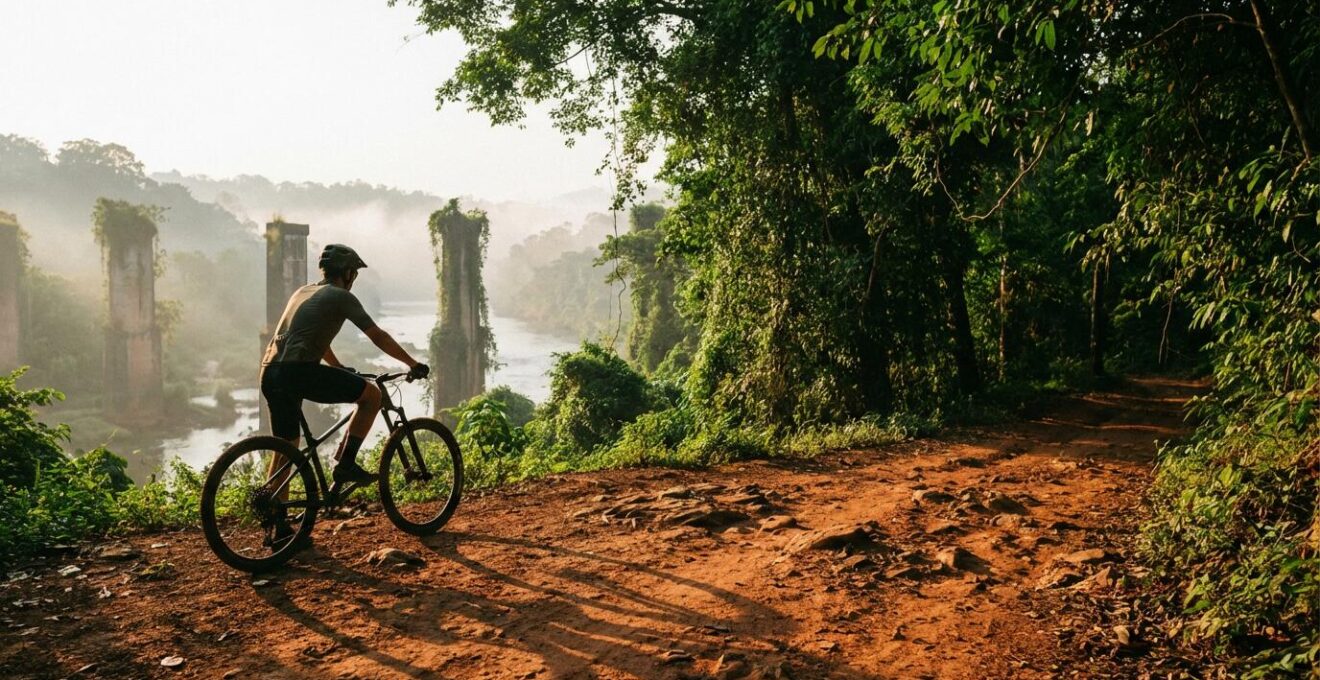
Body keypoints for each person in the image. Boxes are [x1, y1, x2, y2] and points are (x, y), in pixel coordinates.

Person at [259, 244, 428, 543]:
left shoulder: (303, 292)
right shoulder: (341, 296)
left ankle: (278, 523)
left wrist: (339, 368)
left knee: (286, 446)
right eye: (354, 273)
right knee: (372, 397)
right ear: (348, 273)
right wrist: (411, 363)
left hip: (270, 371)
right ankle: (346, 465)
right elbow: (377, 335)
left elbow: (313, 338)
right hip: (298, 372)